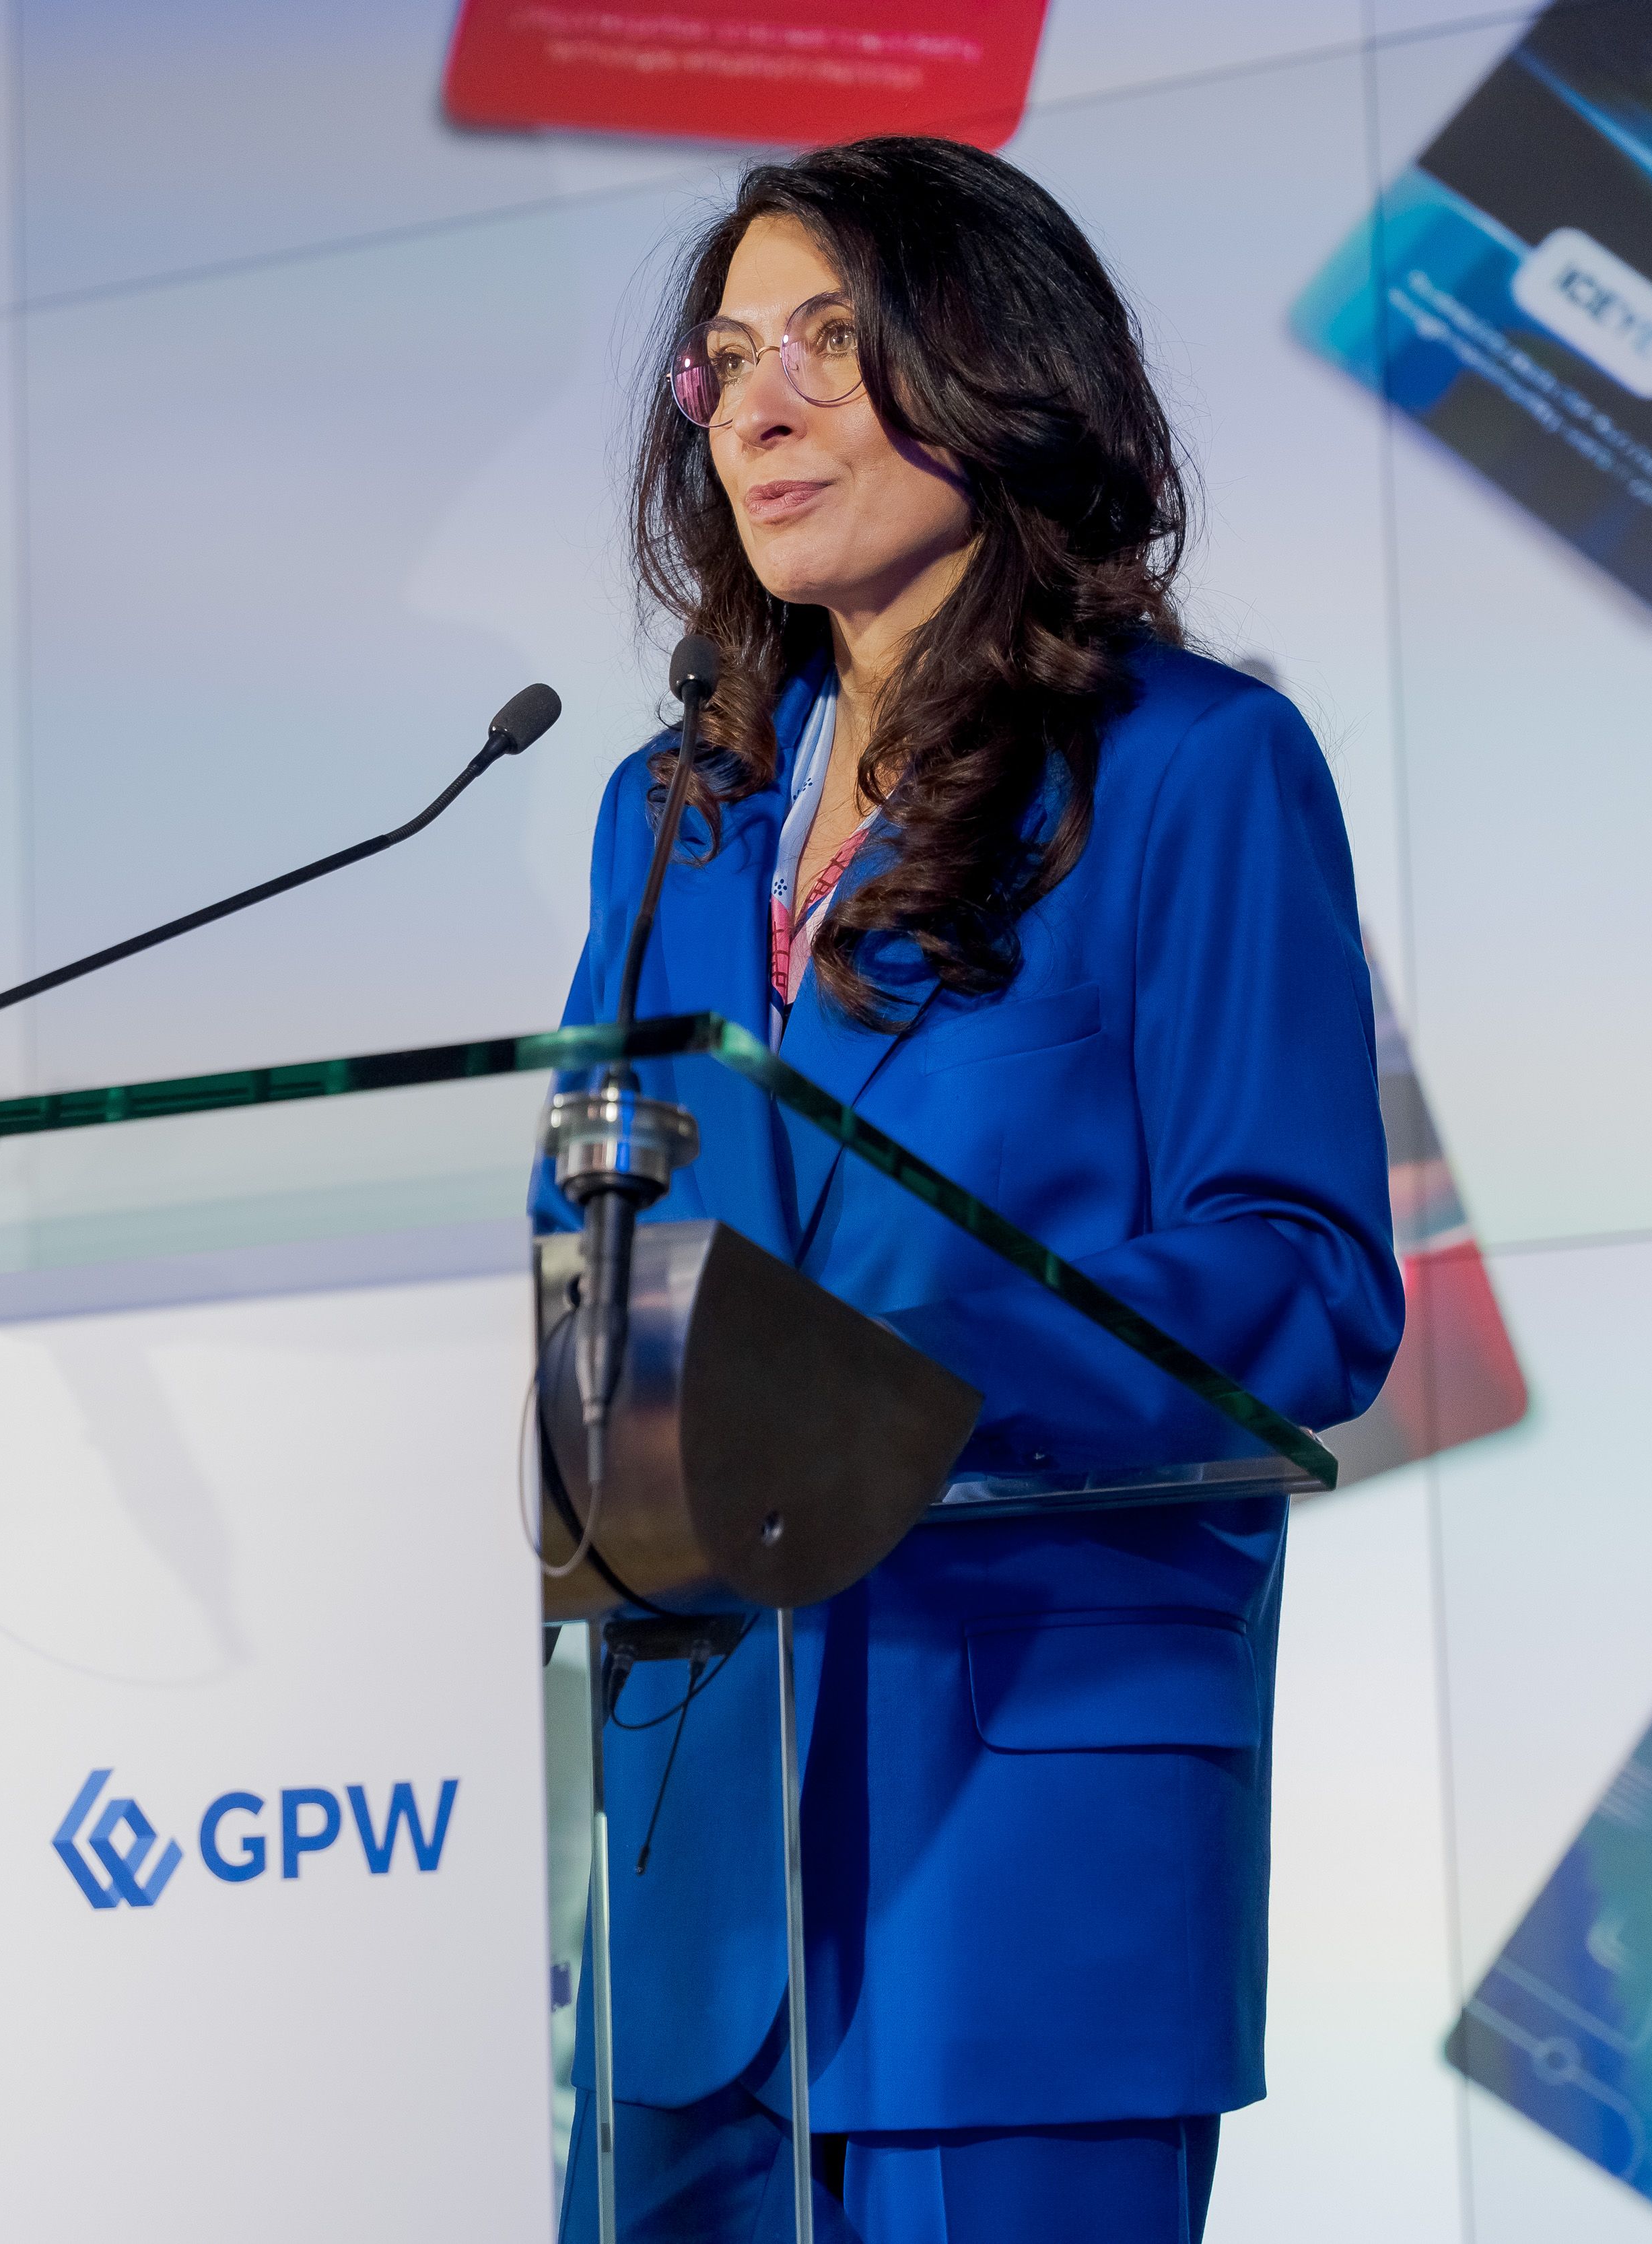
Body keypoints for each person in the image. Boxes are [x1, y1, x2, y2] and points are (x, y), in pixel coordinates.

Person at [542, 139, 1403, 2243]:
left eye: (828, 346)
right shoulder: (671, 816)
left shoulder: (1191, 765)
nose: (756, 412)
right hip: (689, 1849)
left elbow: (1305, 1282)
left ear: (995, 369)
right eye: (727, 360)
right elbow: (590, 1252)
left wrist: (888, 1370)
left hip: (1023, 1835)